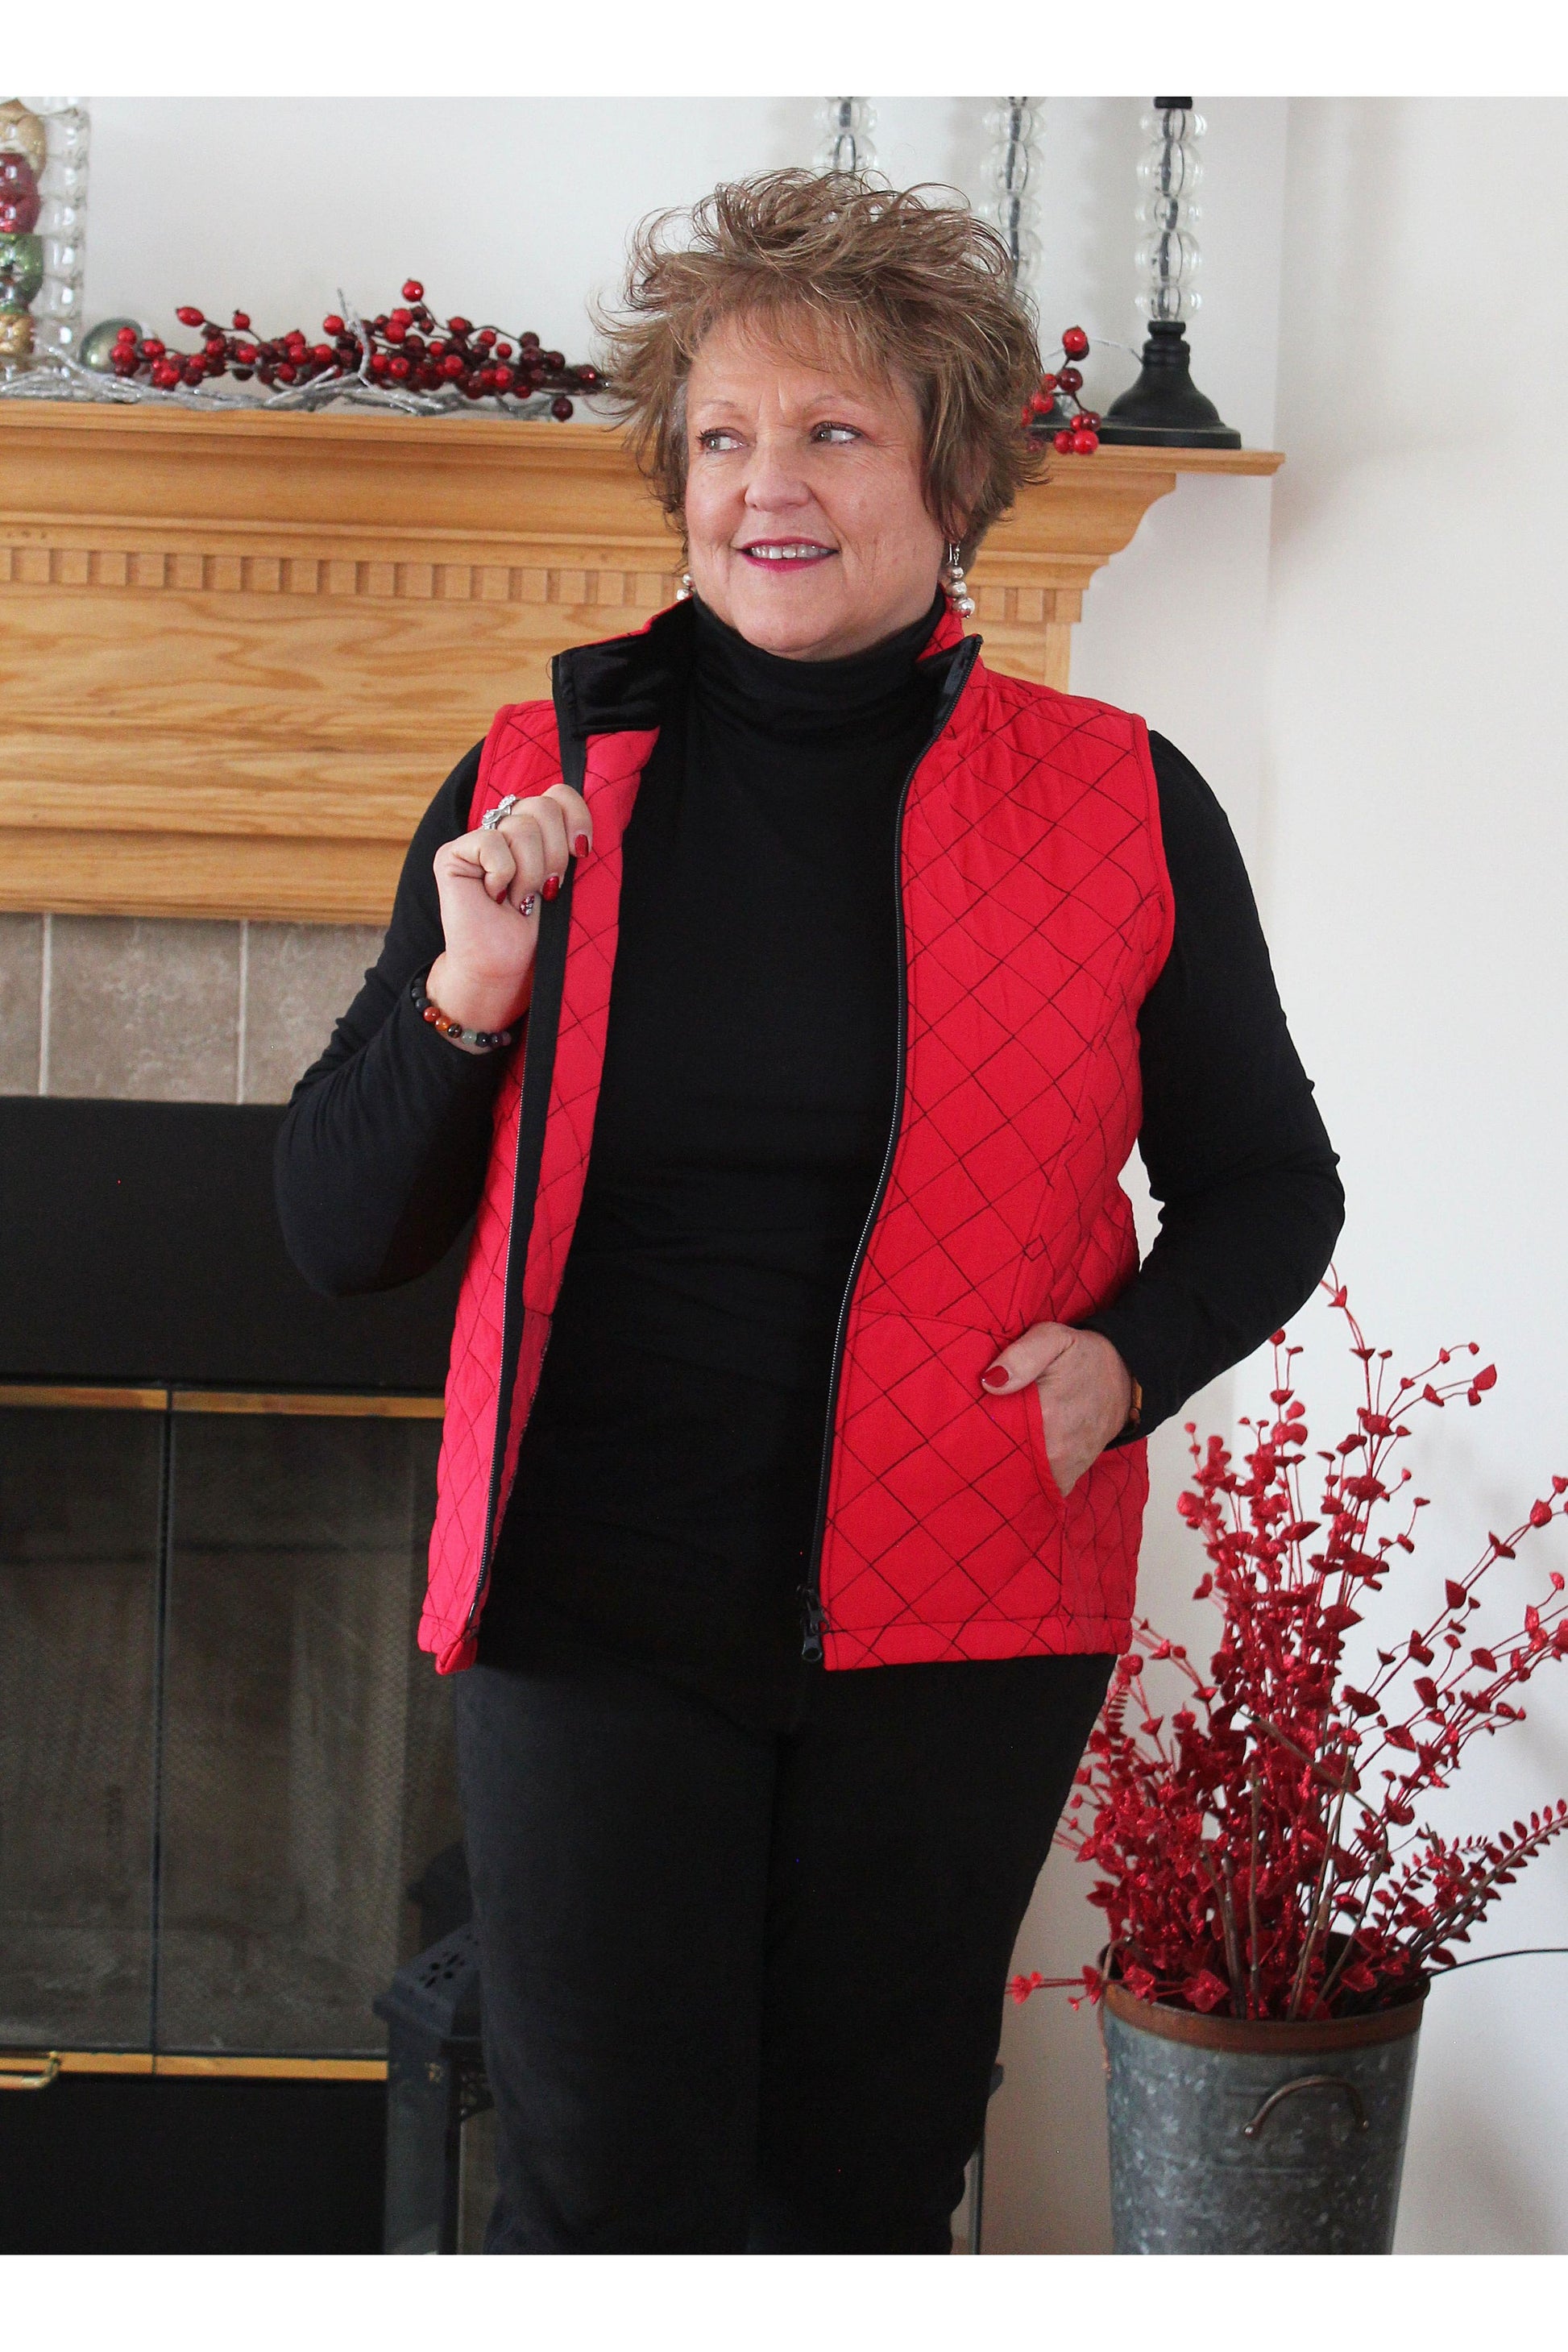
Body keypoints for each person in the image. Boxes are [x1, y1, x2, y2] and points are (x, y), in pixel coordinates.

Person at [276, 170, 1343, 2253]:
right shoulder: (536, 778)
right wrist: (469, 994)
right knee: (606, 2201)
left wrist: (1127, 1365)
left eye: (832, 431)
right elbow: (334, 1232)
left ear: (952, 476)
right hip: (586, 1601)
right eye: (720, 437)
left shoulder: (1118, 797)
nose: (764, 484)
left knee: (857, 2196)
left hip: (958, 1609)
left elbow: (1269, 1183)